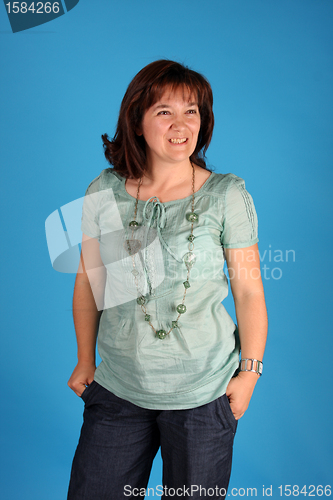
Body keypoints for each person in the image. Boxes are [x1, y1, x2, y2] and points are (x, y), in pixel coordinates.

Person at [67, 60, 268, 499]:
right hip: (118, 388)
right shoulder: (105, 190)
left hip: (204, 391)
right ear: (137, 122)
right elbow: (89, 282)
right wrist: (86, 361)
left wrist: (249, 373)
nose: (181, 125)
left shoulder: (226, 194)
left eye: (192, 111)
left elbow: (249, 290)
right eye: (164, 112)